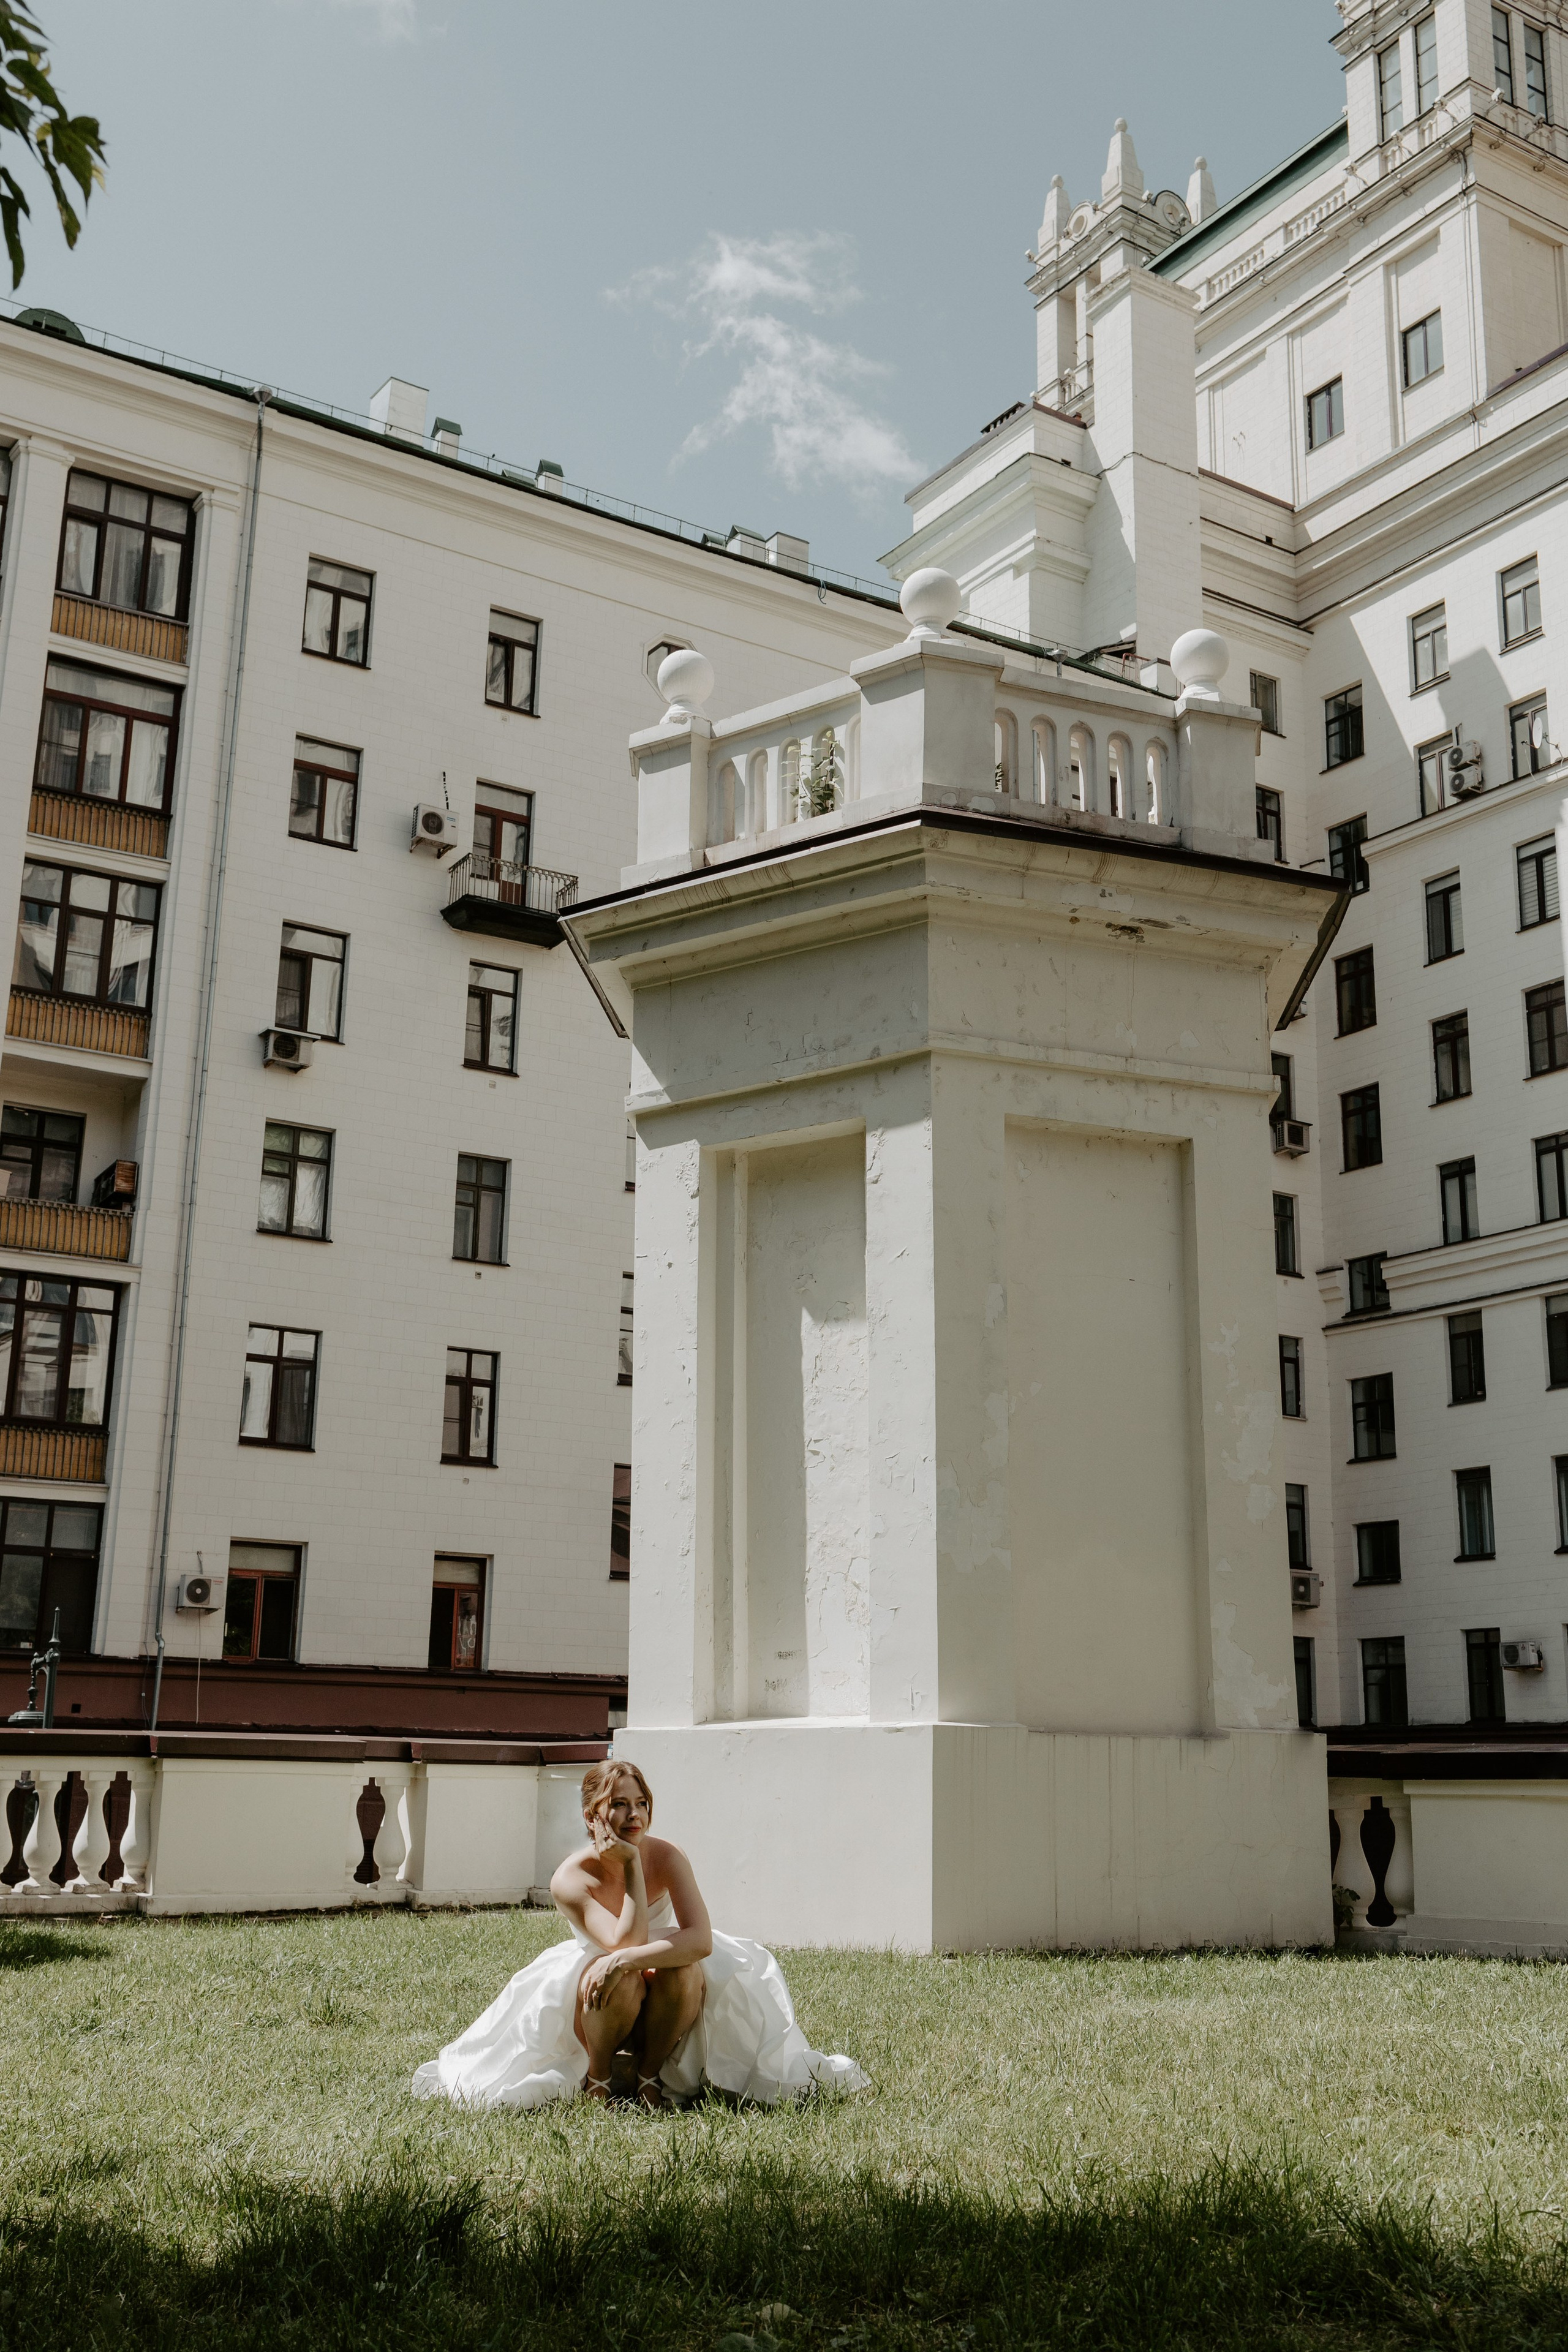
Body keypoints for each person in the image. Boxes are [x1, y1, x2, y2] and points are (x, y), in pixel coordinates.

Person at [411, 1760, 867, 2111]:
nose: (635, 1815)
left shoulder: (668, 1856)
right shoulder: (571, 1878)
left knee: (685, 1969)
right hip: (597, 1980)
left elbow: (701, 1939)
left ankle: (651, 2076)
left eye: (642, 1803)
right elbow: (623, 1944)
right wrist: (630, 1867)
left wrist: (627, 1956)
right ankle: (598, 2076)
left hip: (640, 1964)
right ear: (593, 1816)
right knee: (618, 1976)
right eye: (620, 1804)